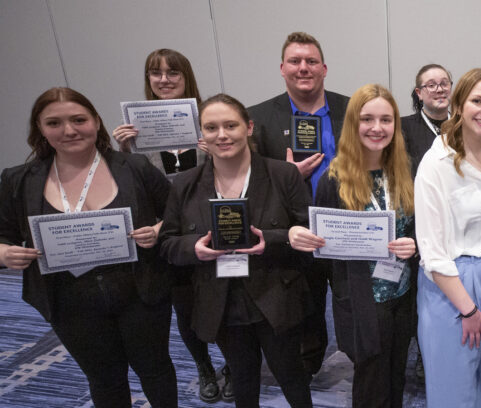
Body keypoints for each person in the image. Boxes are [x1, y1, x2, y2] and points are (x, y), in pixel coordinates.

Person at [0, 87, 177, 407]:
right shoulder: (18, 180)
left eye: (78, 119)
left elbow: (179, 214)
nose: (68, 130)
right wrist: (3, 252)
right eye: (54, 123)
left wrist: (158, 229)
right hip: (69, 300)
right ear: (39, 128)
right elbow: (3, 234)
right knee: (104, 378)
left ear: (96, 121)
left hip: (140, 291)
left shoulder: (134, 167)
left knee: (155, 370)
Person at [159, 93, 313, 408]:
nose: (222, 135)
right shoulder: (185, 184)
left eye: (231, 125)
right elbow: (168, 244)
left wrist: (270, 239)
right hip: (220, 299)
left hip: (276, 295)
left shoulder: (283, 175)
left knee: (291, 376)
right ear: (202, 134)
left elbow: (308, 233)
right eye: (212, 127)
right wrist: (194, 249)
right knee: (242, 381)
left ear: (249, 127)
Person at [288, 84, 418, 408]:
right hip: (362, 301)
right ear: (352, 124)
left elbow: (418, 230)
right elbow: (323, 258)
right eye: (367, 119)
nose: (377, 128)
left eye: (386, 120)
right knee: (370, 382)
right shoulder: (334, 179)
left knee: (396, 375)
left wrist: (414, 245)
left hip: (401, 294)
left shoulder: (405, 172)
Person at [109, 47, 226, 403]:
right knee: (186, 310)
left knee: (227, 303)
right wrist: (124, 153)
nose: (163, 80)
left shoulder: (211, 120)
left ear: (186, 76)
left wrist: (220, 149)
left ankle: (235, 365)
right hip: (167, 234)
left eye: (172, 72)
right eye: (155, 73)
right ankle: (205, 368)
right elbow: (135, 190)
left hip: (212, 226)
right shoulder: (135, 133)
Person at [247, 31, 349, 375]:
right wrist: (284, 173)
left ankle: (360, 355)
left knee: (353, 303)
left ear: (324, 68)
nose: (303, 68)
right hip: (296, 231)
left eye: (310, 61)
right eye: (295, 61)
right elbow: (248, 181)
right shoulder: (258, 118)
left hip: (348, 225)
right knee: (307, 308)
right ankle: (308, 368)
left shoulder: (352, 109)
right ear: (282, 68)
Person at [414, 68, 481, 407]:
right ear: (459, 104)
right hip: (455, 285)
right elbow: (432, 251)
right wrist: (468, 309)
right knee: (453, 392)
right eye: (477, 100)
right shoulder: (436, 163)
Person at [402, 64, 452, 166]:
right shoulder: (403, 127)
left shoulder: (465, 126)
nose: (440, 90)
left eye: (444, 83)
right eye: (431, 85)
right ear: (419, 93)